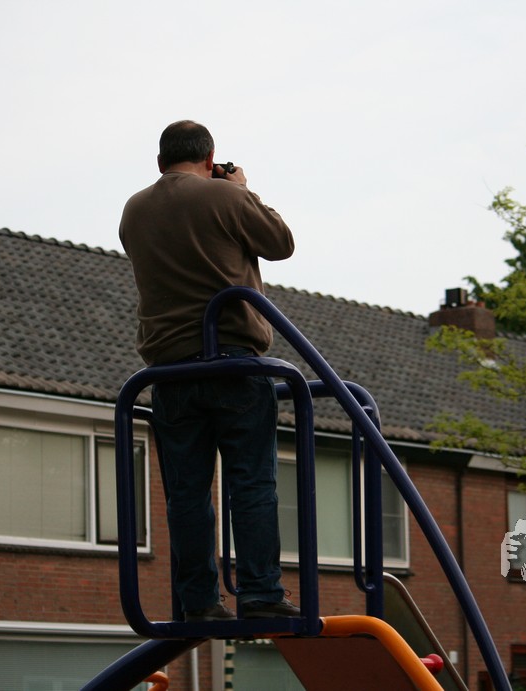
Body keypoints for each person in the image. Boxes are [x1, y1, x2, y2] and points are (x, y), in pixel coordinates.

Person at [119, 120, 299, 622]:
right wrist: (241, 189)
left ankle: (198, 601)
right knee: (251, 482)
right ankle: (260, 593)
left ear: (160, 162)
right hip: (233, 363)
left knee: (187, 493)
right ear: (210, 158)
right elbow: (281, 242)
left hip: (168, 372)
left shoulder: (134, 210)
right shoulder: (225, 196)